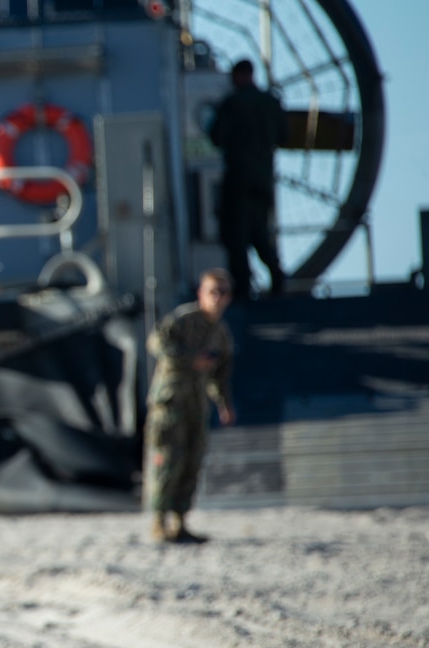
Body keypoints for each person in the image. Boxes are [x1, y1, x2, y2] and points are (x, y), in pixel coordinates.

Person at [143, 267, 236, 544]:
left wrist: (224, 403)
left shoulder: (220, 333)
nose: (217, 298)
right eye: (212, 292)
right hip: (170, 402)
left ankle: (180, 521)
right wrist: (190, 359)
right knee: (167, 459)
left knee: (191, 461)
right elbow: (157, 342)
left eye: (222, 292)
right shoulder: (184, 320)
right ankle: (159, 521)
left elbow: (221, 372)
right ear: (201, 294)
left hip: (196, 403)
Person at [208, 58, 288, 300]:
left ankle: (243, 287)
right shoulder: (271, 103)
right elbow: (284, 136)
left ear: (241, 76)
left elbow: (217, 136)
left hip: (238, 178)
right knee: (260, 231)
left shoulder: (233, 104)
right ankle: (277, 275)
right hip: (263, 178)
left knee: (236, 234)